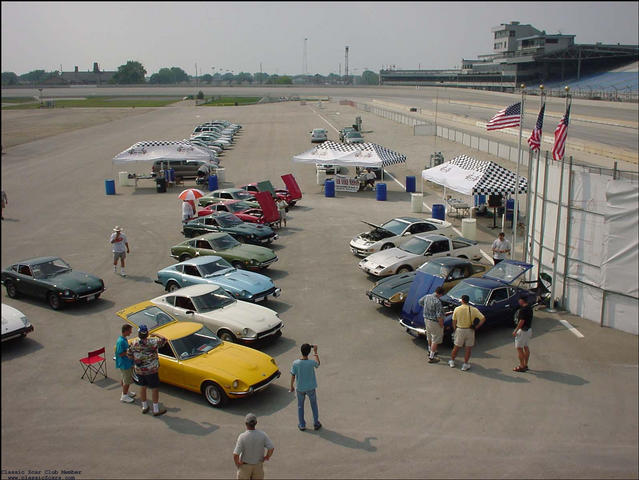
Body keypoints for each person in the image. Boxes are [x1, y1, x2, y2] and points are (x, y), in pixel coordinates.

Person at [127, 324, 168, 416]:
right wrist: (156, 334)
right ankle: (156, 409)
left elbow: (129, 355)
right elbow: (164, 340)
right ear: (147, 333)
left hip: (139, 370)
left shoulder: (134, 343)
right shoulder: (153, 341)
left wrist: (136, 360)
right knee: (154, 388)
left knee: (143, 387)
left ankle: (144, 406)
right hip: (151, 370)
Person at [449, 295, 486, 371]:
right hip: (470, 331)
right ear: (468, 301)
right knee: (468, 349)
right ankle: (465, 364)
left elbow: (454, 321)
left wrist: (455, 329)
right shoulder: (473, 309)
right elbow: (483, 318)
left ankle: (452, 361)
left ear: (462, 300)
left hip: (460, 330)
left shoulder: (457, 309)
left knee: (456, 347)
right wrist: (477, 326)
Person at [233, 413, 275, 480]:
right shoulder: (262, 435)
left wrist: (238, 464)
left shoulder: (242, 437)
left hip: (245, 466)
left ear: (246, 423)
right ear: (256, 423)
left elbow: (235, 454)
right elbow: (271, 448)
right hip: (258, 465)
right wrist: (267, 457)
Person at [290, 343, 321, 431]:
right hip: (311, 387)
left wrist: (291, 386)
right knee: (314, 404)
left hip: (300, 387)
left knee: (300, 406)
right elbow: (318, 364)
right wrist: (315, 352)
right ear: (309, 352)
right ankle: (316, 423)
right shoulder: (311, 363)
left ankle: (302, 424)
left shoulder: (295, 363)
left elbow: (293, 375)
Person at [418, 286, 446, 363]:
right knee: (435, 339)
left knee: (429, 336)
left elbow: (420, 302)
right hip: (434, 322)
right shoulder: (437, 302)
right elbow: (439, 316)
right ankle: (431, 357)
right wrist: (441, 325)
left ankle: (429, 350)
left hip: (426, 319)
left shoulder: (427, 296)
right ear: (440, 294)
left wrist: (426, 308)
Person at [115, 324, 136, 403]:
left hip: (126, 363)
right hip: (124, 364)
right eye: (130, 330)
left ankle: (126, 392)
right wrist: (129, 352)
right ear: (126, 330)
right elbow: (120, 353)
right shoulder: (121, 341)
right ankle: (124, 396)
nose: (131, 332)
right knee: (126, 380)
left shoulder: (123, 339)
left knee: (125, 378)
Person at [513, 295, 533, 372]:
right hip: (529, 330)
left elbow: (521, 321)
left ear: (522, 300)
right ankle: (526, 364)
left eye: (519, 300)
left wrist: (515, 330)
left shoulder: (523, 310)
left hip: (523, 331)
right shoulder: (529, 307)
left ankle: (522, 366)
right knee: (526, 347)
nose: (518, 301)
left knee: (519, 348)